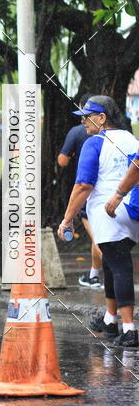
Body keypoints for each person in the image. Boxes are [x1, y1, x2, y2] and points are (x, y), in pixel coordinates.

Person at [57, 96, 139, 348]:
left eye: (87, 116)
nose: (83, 121)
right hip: (132, 210)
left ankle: (129, 329)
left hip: (108, 213)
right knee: (112, 265)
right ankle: (111, 320)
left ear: (102, 118)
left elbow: (83, 185)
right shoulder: (131, 139)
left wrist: (67, 219)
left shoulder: (95, 143)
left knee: (120, 266)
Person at [57, 96, 102, 287]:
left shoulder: (77, 132)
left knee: (101, 240)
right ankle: (93, 275)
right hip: (116, 193)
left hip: (89, 193)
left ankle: (114, 278)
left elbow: (62, 161)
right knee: (99, 236)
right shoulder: (120, 135)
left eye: (85, 115)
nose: (83, 120)